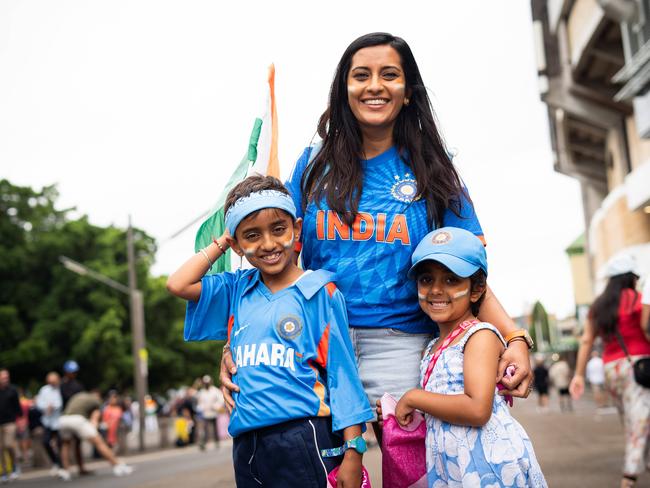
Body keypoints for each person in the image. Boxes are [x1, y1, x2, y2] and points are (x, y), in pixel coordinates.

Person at [220, 33, 533, 434]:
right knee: (323, 473)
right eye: (361, 75)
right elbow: (273, 258)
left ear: (407, 92)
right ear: (344, 90)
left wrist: (516, 337)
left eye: (389, 75)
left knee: (413, 476)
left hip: (402, 346)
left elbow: (467, 272)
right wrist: (238, 342)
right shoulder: (313, 164)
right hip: (313, 341)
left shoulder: (434, 169)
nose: (374, 86)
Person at [167, 175, 373, 487]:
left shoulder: (320, 292)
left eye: (279, 229)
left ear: (297, 229)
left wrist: (354, 451)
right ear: (237, 245)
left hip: (304, 435)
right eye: (251, 235)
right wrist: (224, 240)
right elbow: (179, 284)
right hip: (247, 444)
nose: (268, 243)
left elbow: (343, 378)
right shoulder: (237, 289)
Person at [380, 227, 546, 486]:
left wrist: (413, 398)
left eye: (451, 280)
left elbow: (477, 409)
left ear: (477, 289)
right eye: (426, 280)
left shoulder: (479, 336)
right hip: (454, 468)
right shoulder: (433, 346)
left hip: (488, 466)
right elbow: (443, 405)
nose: (435, 290)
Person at [569, 254, 650, 488]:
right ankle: (630, 475)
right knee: (640, 419)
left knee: (634, 417)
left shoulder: (598, 306)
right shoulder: (638, 299)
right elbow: (646, 327)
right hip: (638, 365)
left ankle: (643, 461)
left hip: (610, 369)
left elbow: (586, 340)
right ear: (631, 278)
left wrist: (578, 375)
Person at [57, 391, 133, 481]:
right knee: (99, 443)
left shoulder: (77, 396)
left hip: (63, 420)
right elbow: (95, 416)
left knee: (66, 445)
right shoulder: (95, 400)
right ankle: (118, 465)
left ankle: (66, 471)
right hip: (78, 419)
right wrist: (94, 429)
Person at [59, 359, 87, 474]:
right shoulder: (61, 385)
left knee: (77, 443)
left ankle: (80, 467)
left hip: (76, 416)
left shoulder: (78, 385)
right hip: (67, 416)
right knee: (66, 443)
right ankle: (66, 468)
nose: (73, 374)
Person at [35, 372, 63, 475]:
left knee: (60, 443)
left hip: (59, 420)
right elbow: (39, 403)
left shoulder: (61, 388)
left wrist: (53, 406)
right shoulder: (44, 390)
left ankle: (62, 464)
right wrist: (46, 408)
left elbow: (61, 403)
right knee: (46, 442)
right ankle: (55, 462)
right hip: (47, 421)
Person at [0, 369, 22, 482]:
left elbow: (17, 406)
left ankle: (14, 467)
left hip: (10, 422)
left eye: (6, 377)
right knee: (1, 448)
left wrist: (20, 420)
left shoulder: (12, 390)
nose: (5, 379)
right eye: (3, 377)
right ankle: (3, 473)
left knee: (9, 445)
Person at [195, 375, 223, 450]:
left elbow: (221, 400)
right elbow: (199, 402)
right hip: (205, 413)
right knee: (204, 429)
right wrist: (201, 408)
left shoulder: (215, 391)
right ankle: (203, 443)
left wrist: (216, 406)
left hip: (213, 412)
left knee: (215, 429)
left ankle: (217, 442)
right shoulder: (202, 392)